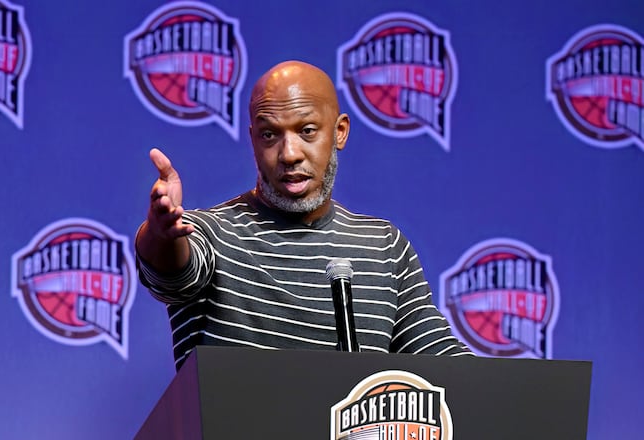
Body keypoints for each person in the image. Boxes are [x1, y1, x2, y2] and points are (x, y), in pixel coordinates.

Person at [136, 60, 472, 369]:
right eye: (270, 135)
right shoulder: (210, 233)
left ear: (339, 132)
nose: (290, 154)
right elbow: (173, 274)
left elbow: (446, 368)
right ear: (253, 140)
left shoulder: (383, 247)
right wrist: (160, 233)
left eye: (307, 131)